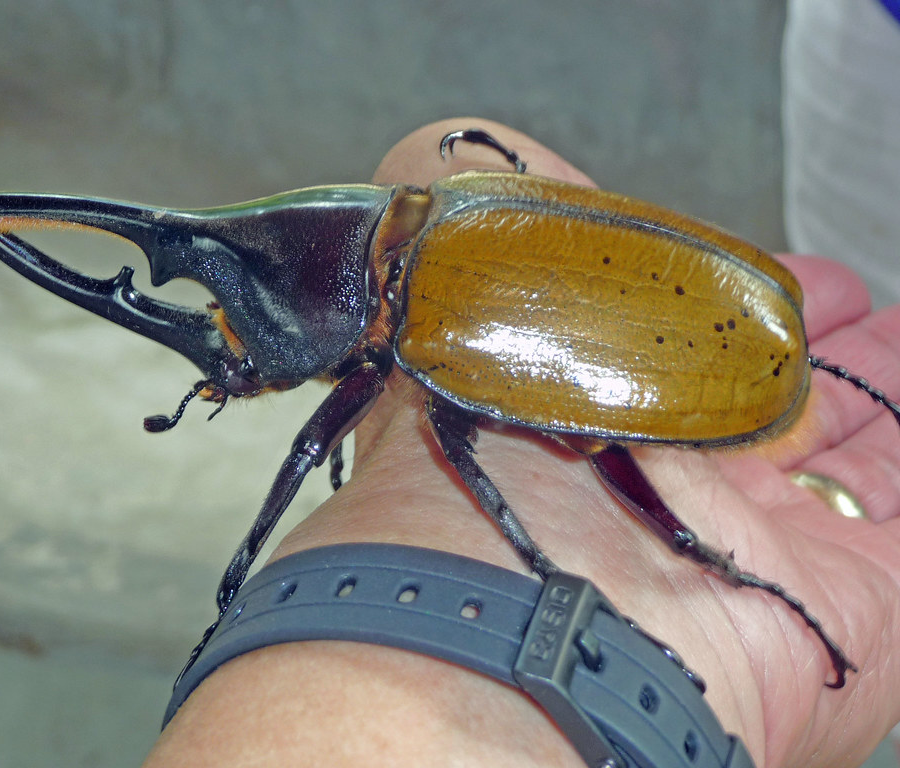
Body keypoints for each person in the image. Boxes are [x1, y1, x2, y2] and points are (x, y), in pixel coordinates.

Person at [141, 120, 900, 768]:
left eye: (245, 349)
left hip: (720, 358)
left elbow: (333, 449)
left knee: (581, 454)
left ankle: (715, 565)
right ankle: (714, 569)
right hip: (720, 307)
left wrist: (530, 567)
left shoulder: (428, 331)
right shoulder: (451, 207)